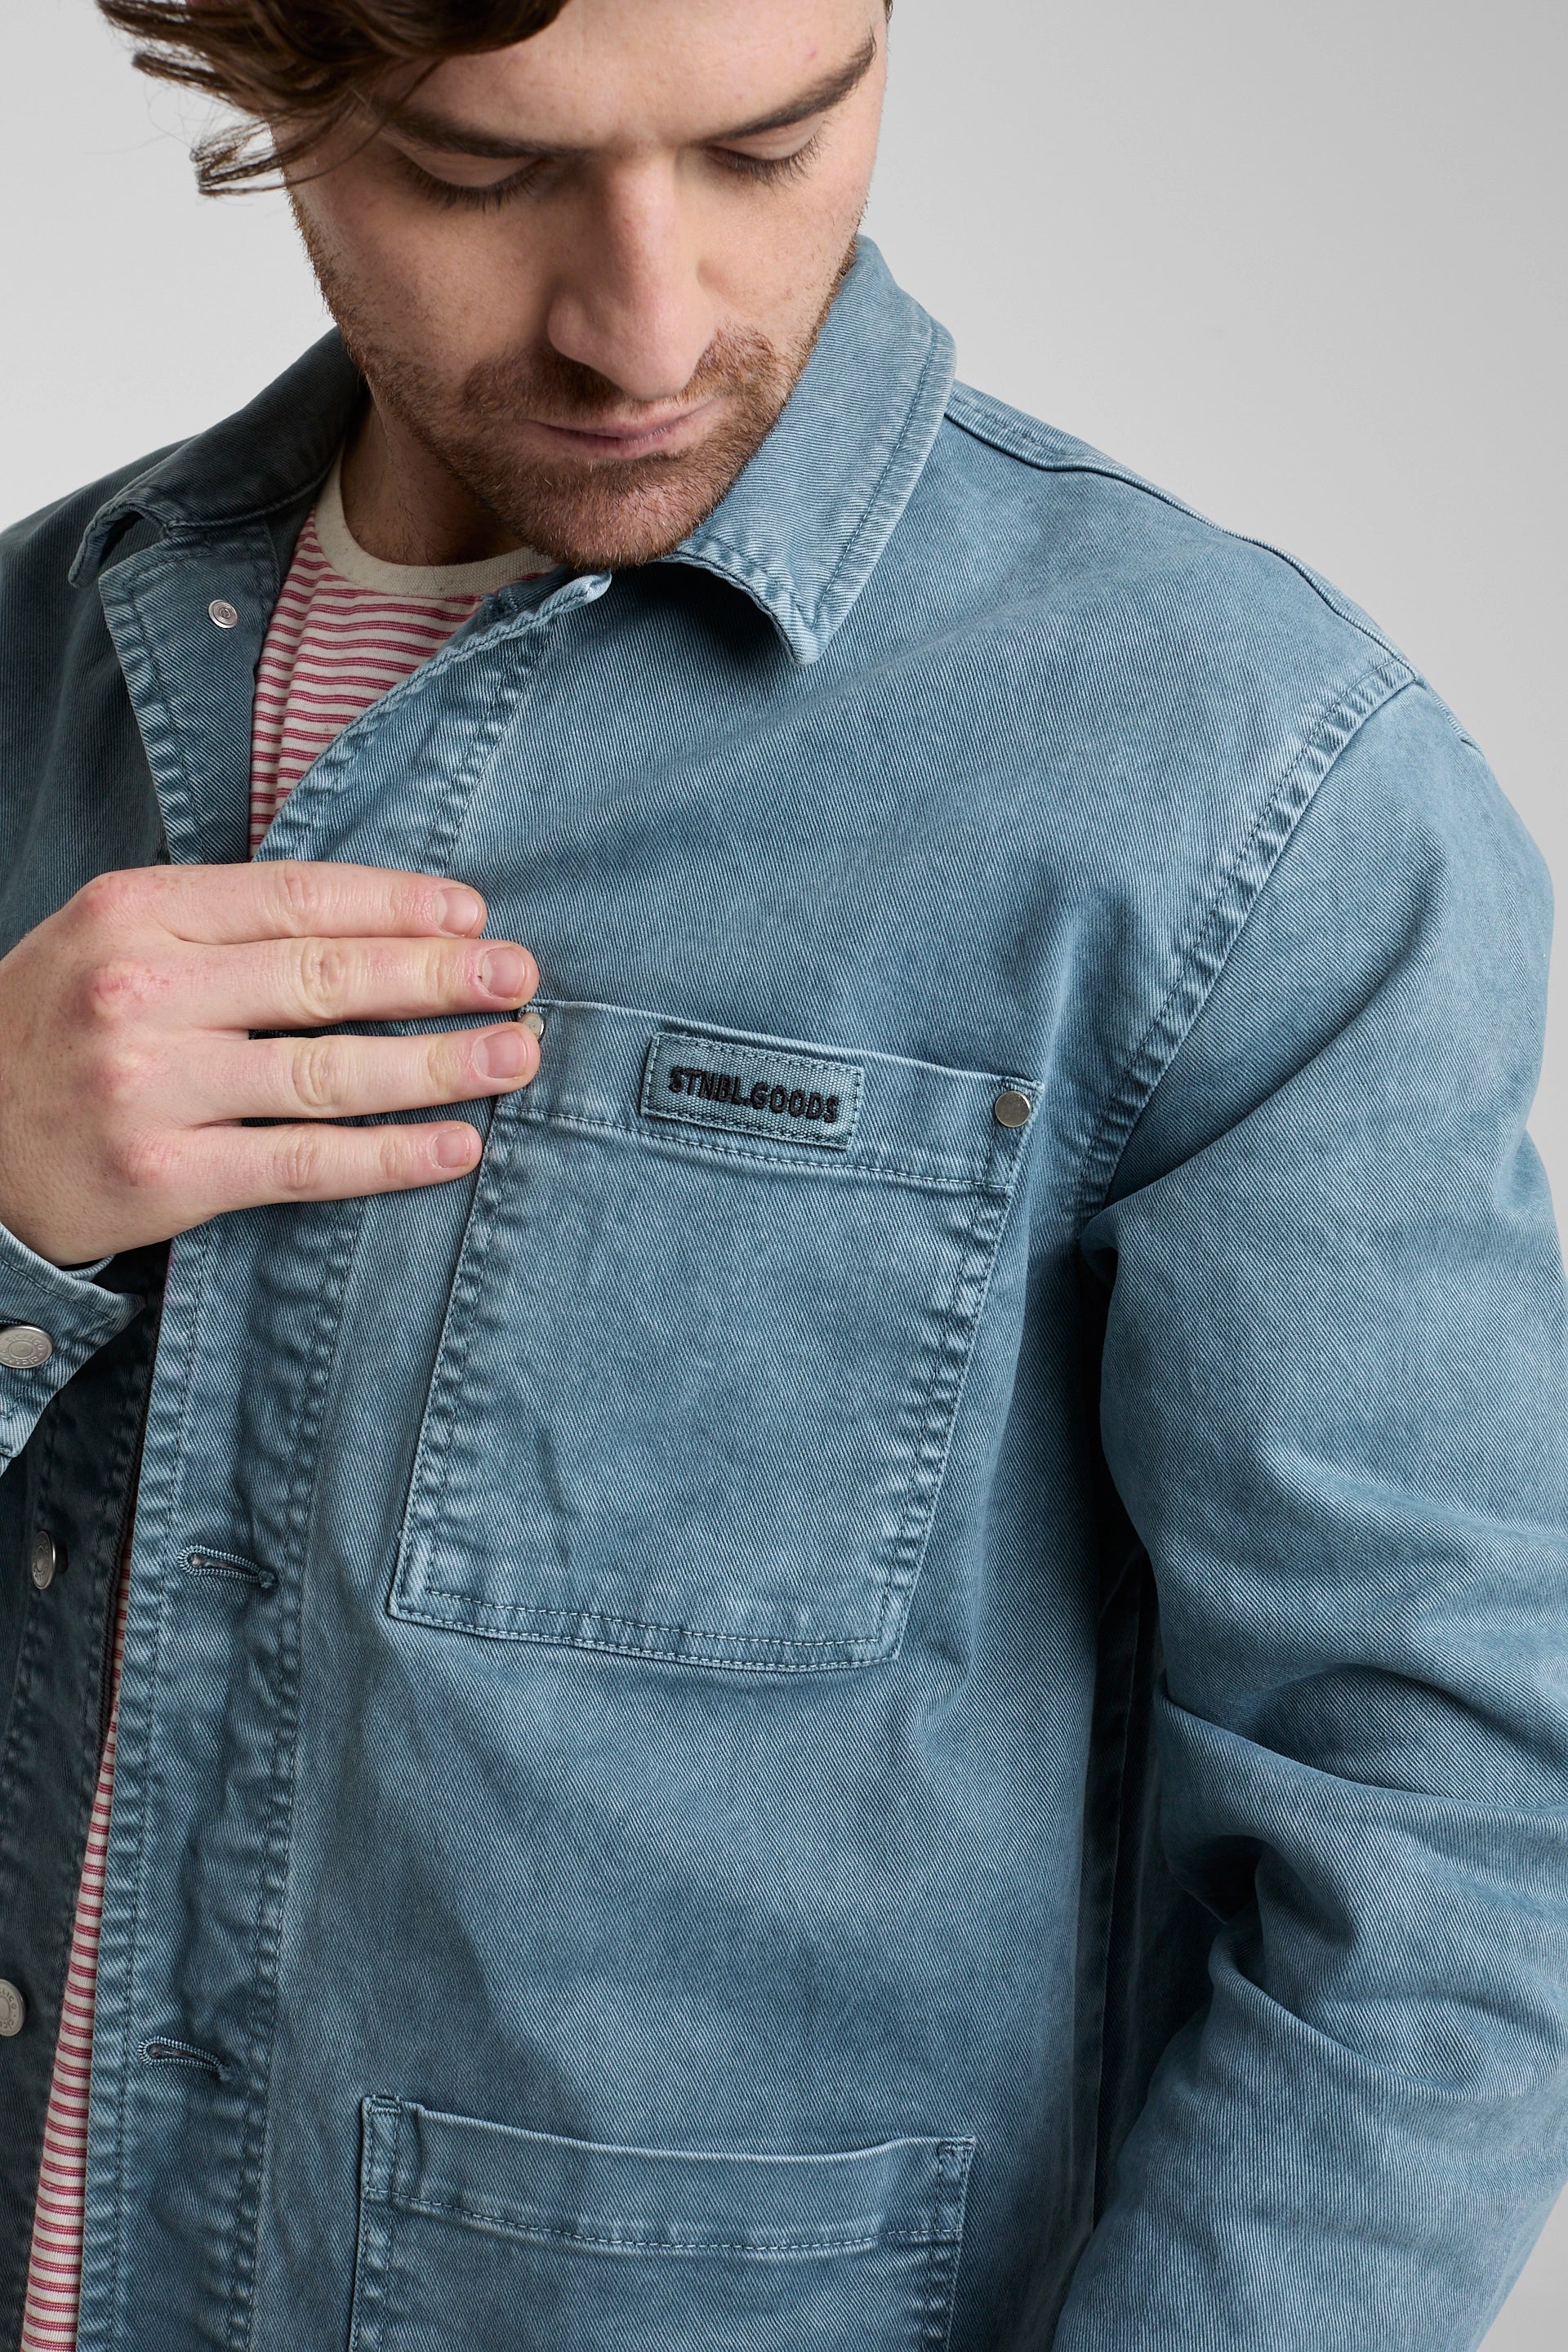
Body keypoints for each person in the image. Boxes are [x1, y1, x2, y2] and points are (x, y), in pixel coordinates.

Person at [1, 1, 1564, 2345]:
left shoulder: (1240, 783)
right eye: (480, 171)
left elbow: (1453, 1859)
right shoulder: (24, 672)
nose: (648, 326)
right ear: (272, 89)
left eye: (768, 147)